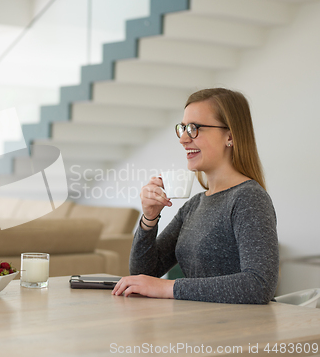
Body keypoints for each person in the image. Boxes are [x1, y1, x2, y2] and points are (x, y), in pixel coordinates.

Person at [112, 88, 279, 304]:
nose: (183, 139)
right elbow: (144, 273)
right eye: (183, 128)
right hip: (198, 327)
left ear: (230, 136)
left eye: (194, 128)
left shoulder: (249, 198)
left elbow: (259, 285)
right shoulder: (194, 205)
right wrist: (149, 219)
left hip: (235, 333)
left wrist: (169, 287)